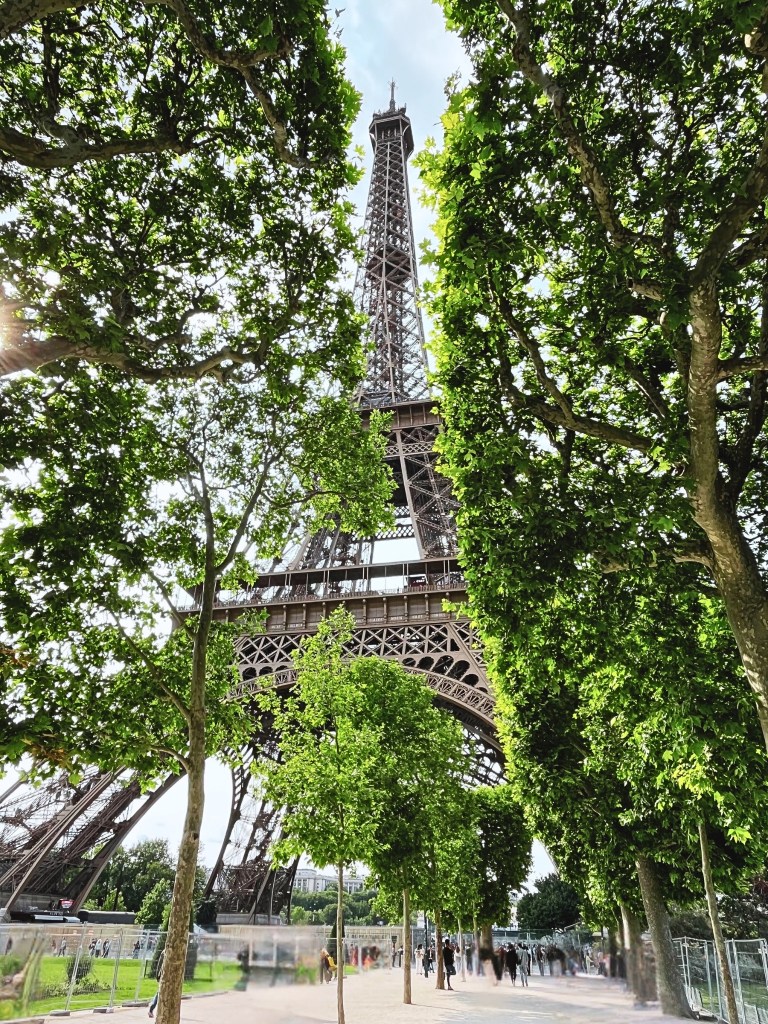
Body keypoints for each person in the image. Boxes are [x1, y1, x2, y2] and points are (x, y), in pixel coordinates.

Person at [148, 949, 164, 1018]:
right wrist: (158, 975)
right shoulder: (165, 952)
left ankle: (152, 1008)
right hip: (163, 976)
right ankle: (151, 1009)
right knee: (159, 992)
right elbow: (160, 964)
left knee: (160, 993)